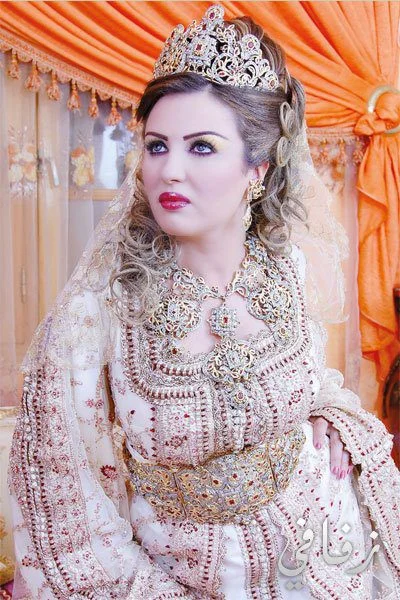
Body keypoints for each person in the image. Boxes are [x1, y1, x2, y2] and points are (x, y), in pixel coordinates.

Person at [7, 4, 400, 599]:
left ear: (258, 168)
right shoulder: (98, 311)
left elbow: (307, 381)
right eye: (157, 146)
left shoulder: (288, 269)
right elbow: (65, 504)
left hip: (325, 548)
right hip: (175, 579)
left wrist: (329, 413)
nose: (169, 171)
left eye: (202, 147)